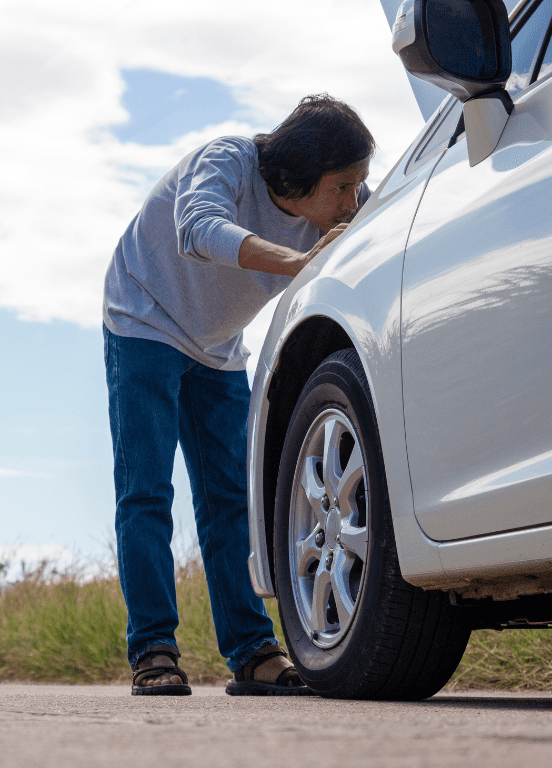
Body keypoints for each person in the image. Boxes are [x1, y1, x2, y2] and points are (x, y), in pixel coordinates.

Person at [102, 93, 375, 696]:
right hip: (143, 319)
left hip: (218, 346)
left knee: (230, 502)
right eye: (345, 187)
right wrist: (301, 261)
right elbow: (198, 228)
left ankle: (251, 653)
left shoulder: (335, 210)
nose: (354, 202)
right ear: (301, 179)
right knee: (146, 493)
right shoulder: (226, 160)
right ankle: (152, 648)